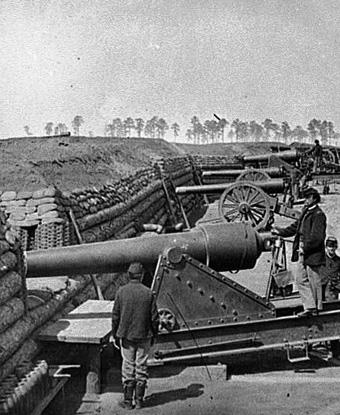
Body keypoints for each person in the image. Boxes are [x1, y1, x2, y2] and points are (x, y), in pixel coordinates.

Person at [271, 187, 326, 317]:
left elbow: (317, 238)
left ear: (314, 199)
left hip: (312, 253)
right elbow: (296, 227)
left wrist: (304, 247)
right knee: (300, 278)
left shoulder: (318, 215)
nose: (305, 200)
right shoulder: (306, 211)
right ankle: (310, 306)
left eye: (307, 198)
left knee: (314, 279)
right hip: (303, 251)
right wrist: (281, 231)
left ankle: (316, 308)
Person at [111, 262, 159, 409]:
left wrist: (115, 334)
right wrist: (154, 335)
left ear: (128, 275)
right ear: (142, 275)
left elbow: (115, 316)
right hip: (144, 335)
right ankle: (139, 401)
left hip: (126, 336)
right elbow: (154, 318)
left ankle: (127, 402)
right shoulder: (148, 292)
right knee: (141, 367)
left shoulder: (121, 292)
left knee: (128, 367)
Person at [320, 236, 340, 301]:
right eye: (330, 246)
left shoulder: (338, 261)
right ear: (326, 247)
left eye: (334, 246)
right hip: (320, 288)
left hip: (333, 290)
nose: (332, 248)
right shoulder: (320, 259)